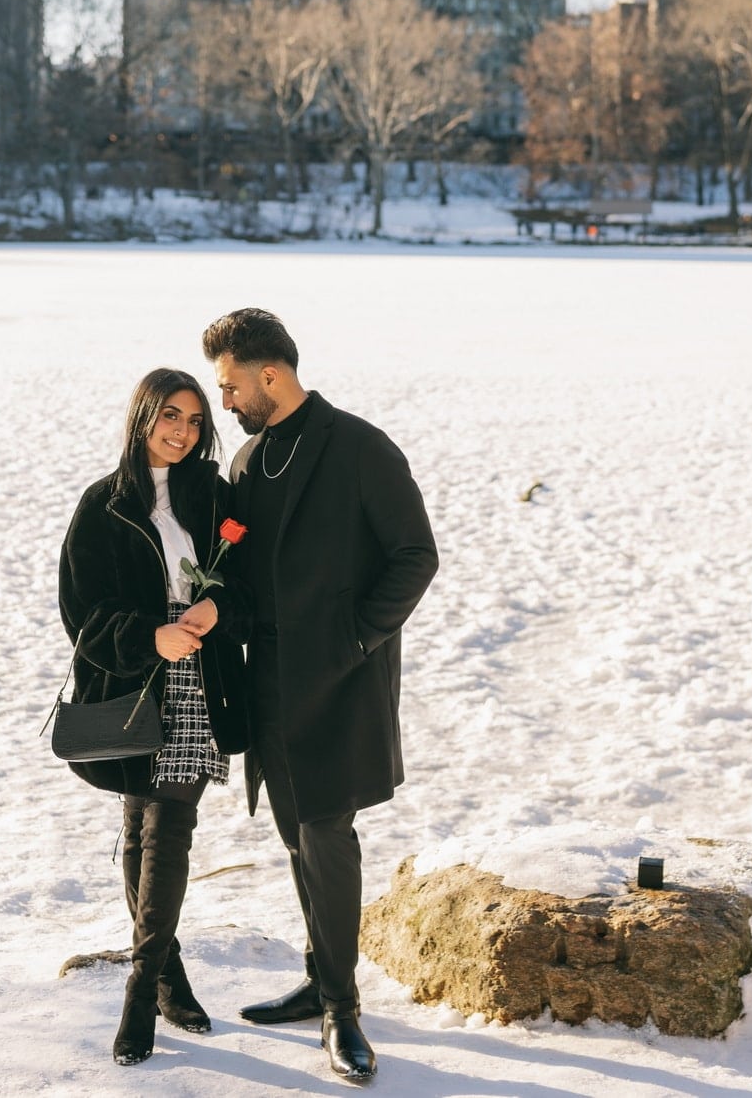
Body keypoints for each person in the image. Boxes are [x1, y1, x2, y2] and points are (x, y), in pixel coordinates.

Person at [201, 308, 438, 1085]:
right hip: (267, 683)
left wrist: (354, 639)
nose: (226, 401)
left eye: (231, 384)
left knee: (327, 837)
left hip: (339, 683)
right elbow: (236, 575)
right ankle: (317, 975)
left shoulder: (360, 447)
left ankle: (342, 1009)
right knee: (296, 838)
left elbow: (415, 556)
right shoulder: (246, 463)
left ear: (270, 373)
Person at [58, 368, 250, 1066]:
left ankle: (139, 994)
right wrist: (150, 638)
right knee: (138, 826)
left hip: (200, 674)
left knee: (170, 827)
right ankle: (169, 974)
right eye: (171, 415)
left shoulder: (210, 495)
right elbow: (82, 614)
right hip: (137, 680)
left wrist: (216, 605)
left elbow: (247, 571)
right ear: (143, 416)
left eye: (196, 420)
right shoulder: (103, 505)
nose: (184, 431)